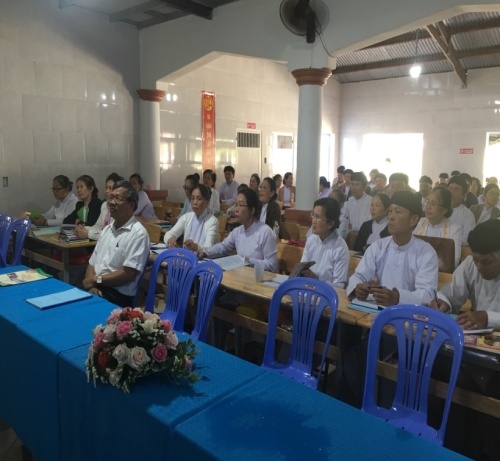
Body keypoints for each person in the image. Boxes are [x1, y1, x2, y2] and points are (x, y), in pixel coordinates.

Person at [346, 191, 438, 306]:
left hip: (408, 314)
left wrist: (398, 298)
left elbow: (427, 294)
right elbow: (359, 275)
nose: (390, 217)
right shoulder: (378, 246)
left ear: (413, 220)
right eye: (390, 211)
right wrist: (357, 288)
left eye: (398, 211)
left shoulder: (426, 252)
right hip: (377, 310)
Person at [82, 180, 150, 307]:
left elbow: (128, 274)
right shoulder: (107, 229)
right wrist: (91, 284)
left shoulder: (138, 234)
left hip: (118, 294)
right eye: (111, 197)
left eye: (118, 198)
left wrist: (96, 280)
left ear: (131, 205)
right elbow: (92, 262)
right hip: (98, 286)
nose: (111, 202)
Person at [433, 220, 500, 330]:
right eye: (475, 259)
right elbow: (452, 293)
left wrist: (488, 318)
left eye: (486, 262)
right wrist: (442, 302)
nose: (479, 267)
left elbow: (486, 319)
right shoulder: (470, 264)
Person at [200, 188, 278, 272]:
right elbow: (223, 246)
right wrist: (205, 252)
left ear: (252, 210)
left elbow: (272, 265)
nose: (236, 209)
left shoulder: (265, 232)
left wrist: (249, 261)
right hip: (242, 276)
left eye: (241, 205)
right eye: (236, 204)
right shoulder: (237, 231)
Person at [301, 198, 350, 288]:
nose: (313, 221)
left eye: (318, 217)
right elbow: (303, 267)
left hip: (327, 296)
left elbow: (339, 286)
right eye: (313, 215)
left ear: (330, 223)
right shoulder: (311, 240)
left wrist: (317, 279)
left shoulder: (340, 248)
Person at [413, 186, 461, 268]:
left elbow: (454, 260)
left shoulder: (454, 229)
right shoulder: (419, 223)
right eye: (427, 201)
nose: (428, 207)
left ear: (445, 209)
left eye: (433, 204)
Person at [163, 184, 218, 253]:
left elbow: (209, 247)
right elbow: (169, 234)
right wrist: (170, 239)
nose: (195, 202)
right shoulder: (187, 217)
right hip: (185, 257)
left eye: (199, 199)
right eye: (192, 198)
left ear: (207, 201)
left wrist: (195, 247)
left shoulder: (213, 221)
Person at [74, 172, 123, 240]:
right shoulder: (104, 205)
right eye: (106, 188)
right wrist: (82, 229)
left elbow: (112, 233)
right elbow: (98, 226)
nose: (107, 191)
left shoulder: (120, 207)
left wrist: (87, 233)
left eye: (110, 188)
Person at [341, 171, 372, 238]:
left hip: (365, 236)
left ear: (365, 187)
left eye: (357, 185)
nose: (354, 188)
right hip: (349, 236)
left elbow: (368, 224)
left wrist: (352, 227)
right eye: (352, 184)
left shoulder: (371, 201)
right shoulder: (349, 201)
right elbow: (343, 218)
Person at [448, 176, 476, 246]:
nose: (452, 192)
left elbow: (467, 239)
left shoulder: (468, 215)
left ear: (464, 196)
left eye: (456, 189)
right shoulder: (439, 210)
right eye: (450, 188)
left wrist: (447, 242)